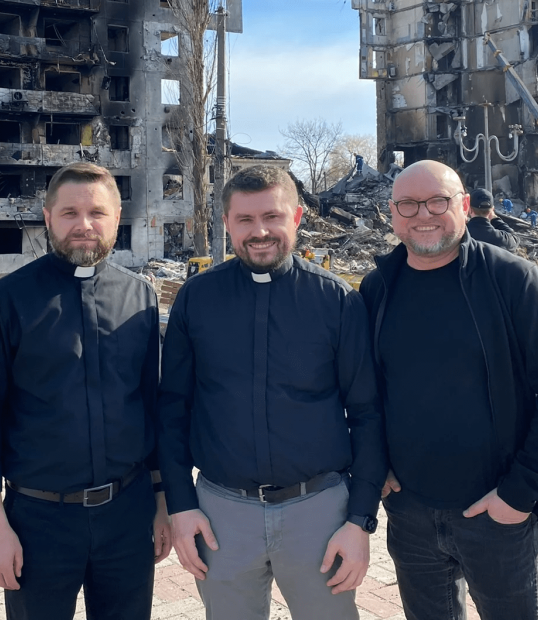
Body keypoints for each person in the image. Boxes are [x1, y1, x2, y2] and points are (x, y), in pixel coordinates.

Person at [360, 160, 538, 620]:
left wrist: (519, 494)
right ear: (392, 214)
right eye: (408, 204)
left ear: (464, 206)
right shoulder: (378, 288)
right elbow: (362, 392)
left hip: (496, 512)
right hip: (410, 513)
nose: (422, 214)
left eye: (438, 202)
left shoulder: (513, 280)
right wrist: (375, 467)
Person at [159, 164, 386, 620]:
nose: (259, 231)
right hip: (222, 513)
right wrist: (181, 506)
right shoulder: (196, 299)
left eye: (272, 217)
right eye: (244, 220)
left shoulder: (337, 301)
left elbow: (366, 414)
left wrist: (360, 521)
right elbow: (172, 410)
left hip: (319, 512)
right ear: (226, 223)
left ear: (297, 217)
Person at [0, 162, 171, 620]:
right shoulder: (6, 302)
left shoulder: (141, 299)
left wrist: (160, 504)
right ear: (48, 216)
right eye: (69, 212)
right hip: (38, 520)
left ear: (118, 218)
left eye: (97, 212)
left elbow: (152, 408)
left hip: (127, 516)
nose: (84, 225)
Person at [465, 188, 519, 252]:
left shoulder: (461, 235)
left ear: (469, 209)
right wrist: (495, 219)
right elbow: (515, 239)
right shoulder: (501, 238)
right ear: (492, 210)